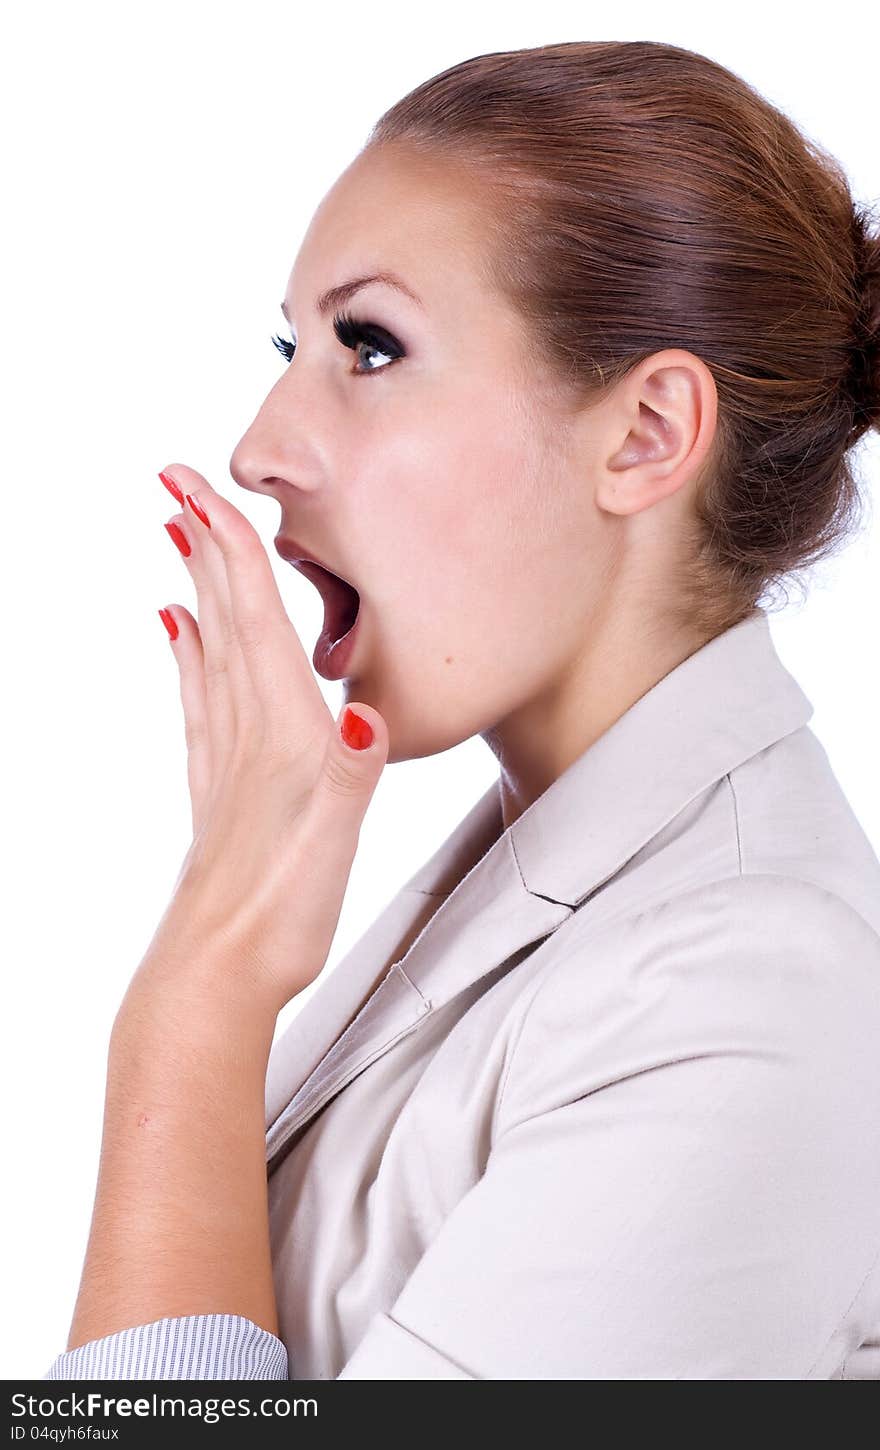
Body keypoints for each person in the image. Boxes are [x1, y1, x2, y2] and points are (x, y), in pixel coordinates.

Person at [46, 39, 880, 1381]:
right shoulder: (548, 875)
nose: (260, 445)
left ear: (649, 433)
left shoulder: (751, 992)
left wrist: (193, 1006)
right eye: (292, 343)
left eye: (368, 347)